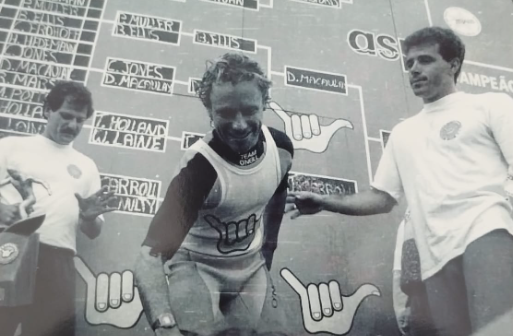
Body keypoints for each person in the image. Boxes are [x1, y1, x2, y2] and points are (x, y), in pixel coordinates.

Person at [286, 26, 513, 336]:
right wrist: (327, 201)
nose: (415, 69)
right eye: (409, 63)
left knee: (497, 329)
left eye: (425, 60)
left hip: (488, 230)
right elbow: (382, 198)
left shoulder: (491, 105)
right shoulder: (403, 133)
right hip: (433, 255)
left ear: (454, 64)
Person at [134, 53, 294, 336]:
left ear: (264, 104)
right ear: (210, 111)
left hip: (250, 265)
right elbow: (150, 256)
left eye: (249, 110)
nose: (240, 124)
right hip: (198, 265)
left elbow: (276, 197)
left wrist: (268, 248)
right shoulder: (200, 169)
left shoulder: (280, 147)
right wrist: (163, 322)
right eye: (226, 113)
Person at [0, 81, 116, 336]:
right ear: (46, 110)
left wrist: (88, 218)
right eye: (65, 115)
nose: (72, 125)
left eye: (79, 120)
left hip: (58, 259)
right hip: (10, 248)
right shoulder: (10, 147)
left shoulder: (87, 166)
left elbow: (93, 232)